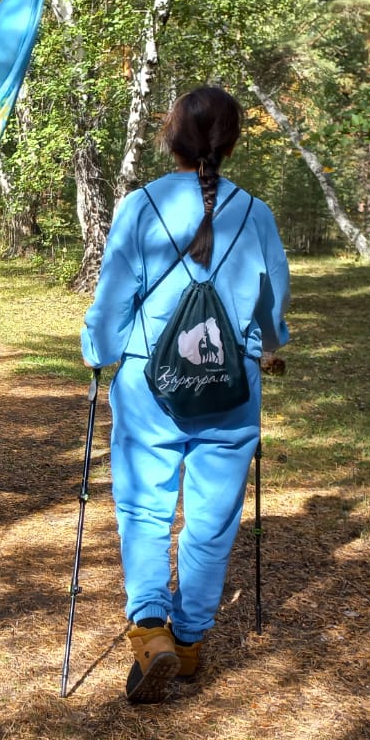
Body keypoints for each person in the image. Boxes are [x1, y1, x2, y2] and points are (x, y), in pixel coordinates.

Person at [81, 86, 290, 704]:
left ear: (172, 137)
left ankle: (151, 632)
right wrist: (263, 346)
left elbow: (113, 299)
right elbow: (272, 316)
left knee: (145, 507)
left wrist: (99, 353)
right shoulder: (257, 213)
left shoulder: (141, 205)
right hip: (230, 383)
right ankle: (192, 640)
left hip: (151, 381)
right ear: (230, 144)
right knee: (213, 517)